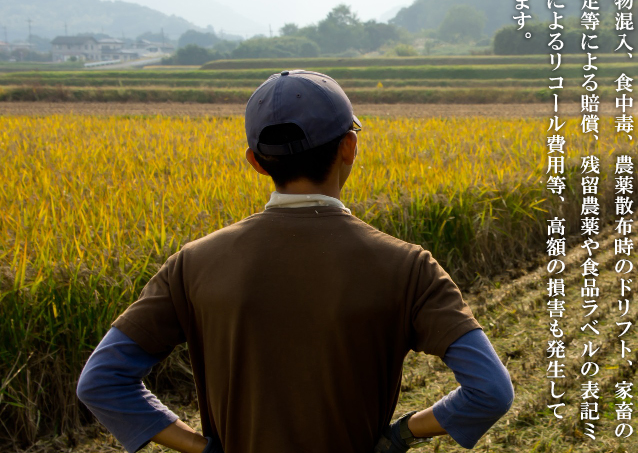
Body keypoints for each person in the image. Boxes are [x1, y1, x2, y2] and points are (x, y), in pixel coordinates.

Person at [76, 69, 515, 453]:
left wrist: (201, 447)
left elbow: (101, 381)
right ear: (349, 148)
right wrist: (401, 434)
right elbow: (490, 391)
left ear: (256, 163)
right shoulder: (409, 268)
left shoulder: (192, 264)